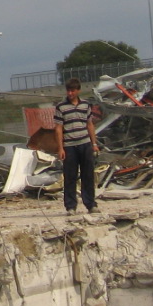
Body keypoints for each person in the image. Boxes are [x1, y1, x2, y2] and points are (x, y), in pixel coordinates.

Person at [54, 77, 100, 214]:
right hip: (69, 146)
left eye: (73, 91)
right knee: (70, 177)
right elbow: (58, 128)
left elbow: (89, 124)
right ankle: (70, 206)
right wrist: (60, 148)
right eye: (68, 91)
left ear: (78, 91)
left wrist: (94, 144)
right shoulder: (61, 107)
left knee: (88, 176)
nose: (70, 93)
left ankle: (91, 204)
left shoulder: (85, 105)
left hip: (85, 144)